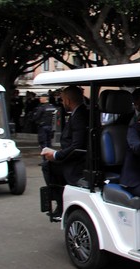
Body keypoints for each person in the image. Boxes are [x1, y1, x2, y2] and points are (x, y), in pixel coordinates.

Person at [40, 85, 89, 220]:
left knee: (47, 166)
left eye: (62, 100)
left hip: (78, 162)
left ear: (67, 100)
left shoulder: (79, 115)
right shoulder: (82, 112)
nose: (62, 103)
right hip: (76, 157)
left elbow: (76, 146)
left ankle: (61, 203)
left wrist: (56, 155)